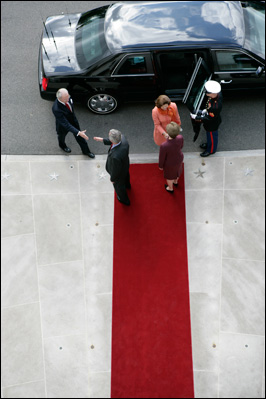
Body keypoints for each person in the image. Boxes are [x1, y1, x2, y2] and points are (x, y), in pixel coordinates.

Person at [52, 88, 95, 158]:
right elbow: (65, 124)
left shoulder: (68, 97)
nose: (68, 99)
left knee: (80, 137)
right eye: (66, 99)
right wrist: (78, 132)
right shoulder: (56, 109)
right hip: (63, 125)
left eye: (68, 96)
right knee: (61, 136)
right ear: (60, 99)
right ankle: (62, 146)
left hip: (73, 121)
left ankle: (86, 151)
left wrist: (78, 133)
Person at [94, 129, 131, 206]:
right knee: (126, 176)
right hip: (125, 165)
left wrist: (113, 179)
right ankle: (128, 185)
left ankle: (124, 200)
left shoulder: (115, 157)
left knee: (119, 187)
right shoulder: (123, 138)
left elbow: (115, 170)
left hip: (119, 174)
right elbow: (113, 141)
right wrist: (102, 140)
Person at [190, 80, 222, 157]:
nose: (207, 95)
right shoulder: (217, 95)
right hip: (212, 119)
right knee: (210, 136)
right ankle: (209, 144)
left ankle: (211, 150)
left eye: (208, 93)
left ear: (213, 93)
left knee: (212, 136)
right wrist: (206, 110)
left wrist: (197, 117)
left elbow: (208, 119)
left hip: (212, 124)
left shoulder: (215, 107)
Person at [159, 122, 184, 193]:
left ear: (167, 132)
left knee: (169, 176)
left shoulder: (164, 145)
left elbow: (162, 157)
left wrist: (160, 166)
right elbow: (181, 146)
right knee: (177, 171)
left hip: (169, 163)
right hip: (179, 158)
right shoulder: (180, 137)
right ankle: (175, 182)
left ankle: (170, 188)